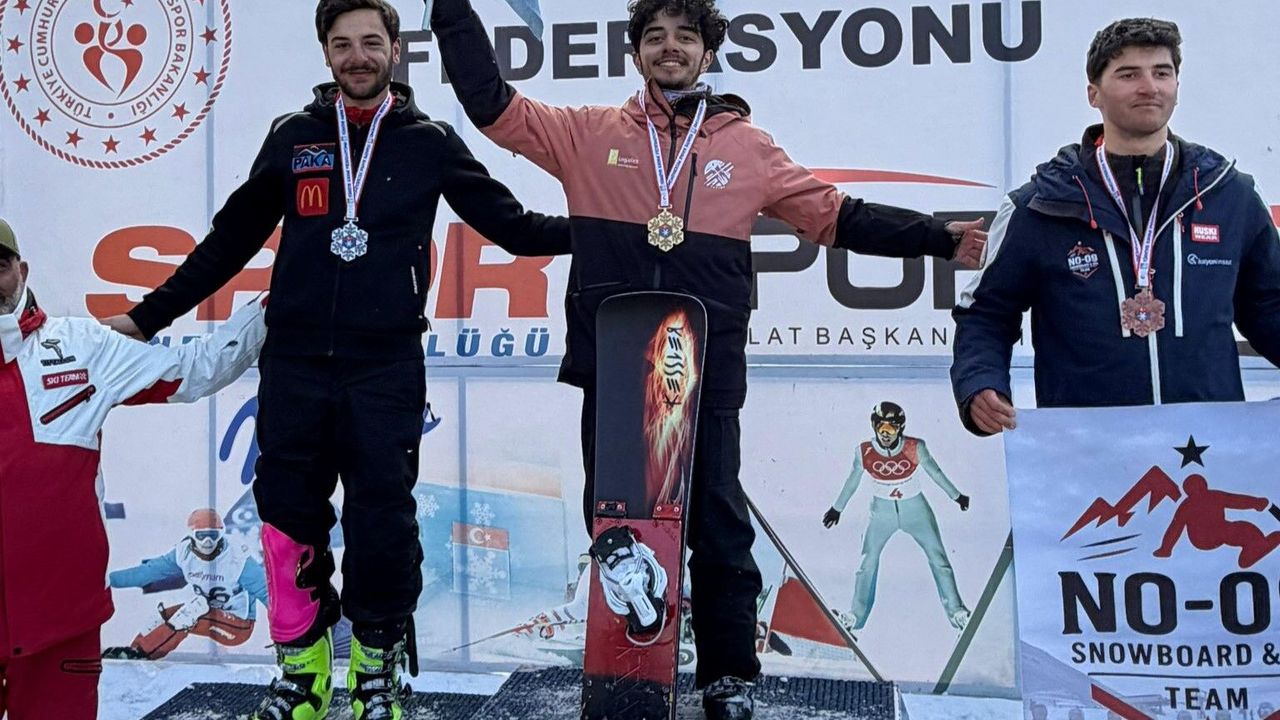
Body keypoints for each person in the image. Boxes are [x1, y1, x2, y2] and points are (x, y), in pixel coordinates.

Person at [428, 1, 986, 717]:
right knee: (618, 523)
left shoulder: (747, 146)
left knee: (719, 523)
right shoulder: (587, 133)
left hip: (706, 365)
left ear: (708, 52)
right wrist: (450, 9)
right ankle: (633, 659)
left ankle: (729, 676)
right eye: (655, 37)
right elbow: (491, 104)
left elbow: (836, 216)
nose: (670, 48)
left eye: (685, 37)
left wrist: (939, 239)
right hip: (614, 359)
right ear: (635, 52)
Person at [102, 1, 570, 717]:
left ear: (395, 50)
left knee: (384, 522)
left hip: (384, 367)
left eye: (371, 42)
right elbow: (230, 240)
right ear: (326, 53)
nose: (358, 56)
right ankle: (304, 674)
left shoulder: (429, 142)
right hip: (295, 363)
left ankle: (377, 673)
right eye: (343, 44)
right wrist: (145, 317)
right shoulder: (294, 137)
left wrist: (614, 230)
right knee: (286, 519)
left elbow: (514, 227)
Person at [952, 17, 1280, 435]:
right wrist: (980, 382)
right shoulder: (1038, 205)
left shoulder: (1229, 195)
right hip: (1089, 448)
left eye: (1162, 72)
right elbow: (985, 312)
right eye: (1128, 74)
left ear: (1177, 85)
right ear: (1094, 94)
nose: (1149, 87)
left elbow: (1268, 305)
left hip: (1205, 446)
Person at [0, 217, 266, 719]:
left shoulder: (81, 344)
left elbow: (195, 369)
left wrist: (272, 307)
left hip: (62, 620)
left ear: (22, 270)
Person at [821, 402, 971, 633]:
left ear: (900, 428)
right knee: (867, 561)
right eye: (881, 427)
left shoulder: (914, 447)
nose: (885, 434)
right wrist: (837, 508)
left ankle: (957, 613)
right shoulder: (864, 451)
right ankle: (854, 617)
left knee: (938, 556)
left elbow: (935, 472)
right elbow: (852, 481)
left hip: (915, 510)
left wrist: (956, 496)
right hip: (881, 512)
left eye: (891, 428)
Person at [104, 508, 269, 661]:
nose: (207, 542)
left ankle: (143, 654)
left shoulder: (237, 558)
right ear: (192, 535)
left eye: (213, 535)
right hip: (207, 613)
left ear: (221, 533)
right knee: (166, 613)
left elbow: (267, 593)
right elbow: (147, 572)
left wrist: (282, 634)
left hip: (239, 625)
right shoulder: (184, 553)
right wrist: (105, 580)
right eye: (201, 536)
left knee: (193, 609)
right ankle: (134, 650)